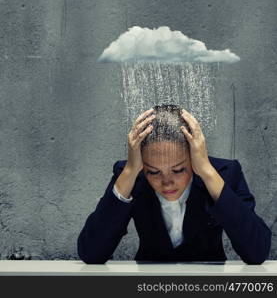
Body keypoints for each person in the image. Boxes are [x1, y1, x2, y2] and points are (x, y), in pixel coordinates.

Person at [77, 104, 271, 264]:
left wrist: (207, 171)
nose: (167, 182)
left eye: (178, 170)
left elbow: (257, 252)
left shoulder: (224, 174)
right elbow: (91, 253)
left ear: (194, 157)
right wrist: (129, 171)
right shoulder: (131, 175)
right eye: (153, 172)